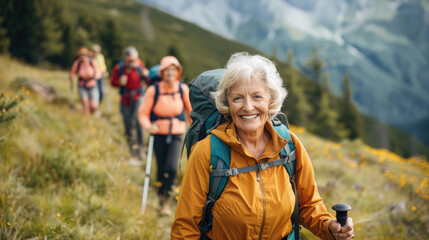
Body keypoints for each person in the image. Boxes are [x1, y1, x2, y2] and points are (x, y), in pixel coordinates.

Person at [171, 53, 354, 239]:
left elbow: (308, 205)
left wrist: (329, 226)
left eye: (257, 96)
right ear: (227, 104)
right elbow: (185, 226)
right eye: (238, 98)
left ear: (270, 100)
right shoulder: (207, 152)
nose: (248, 107)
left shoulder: (290, 145)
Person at [138, 56, 192, 216]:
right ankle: (161, 197)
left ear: (178, 72)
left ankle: (166, 199)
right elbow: (142, 113)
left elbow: (190, 112)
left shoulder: (182, 89)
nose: (170, 73)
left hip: (176, 133)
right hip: (157, 133)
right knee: (161, 169)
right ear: (162, 72)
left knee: (172, 168)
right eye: (167, 70)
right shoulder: (153, 90)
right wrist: (148, 126)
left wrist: (194, 128)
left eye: (173, 70)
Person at [111, 46, 149, 165]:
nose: (131, 63)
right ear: (125, 59)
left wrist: (146, 74)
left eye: (133, 60)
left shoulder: (140, 67)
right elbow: (113, 82)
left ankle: (142, 148)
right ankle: (133, 149)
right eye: (129, 60)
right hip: (125, 98)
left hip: (138, 96)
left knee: (138, 122)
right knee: (128, 124)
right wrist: (119, 82)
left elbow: (148, 82)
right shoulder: (119, 68)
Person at [69, 46, 101, 117]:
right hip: (82, 85)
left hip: (92, 84)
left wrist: (96, 76)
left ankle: (92, 113)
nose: (82, 57)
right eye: (81, 55)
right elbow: (73, 72)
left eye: (84, 55)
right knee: (85, 103)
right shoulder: (77, 63)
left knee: (94, 105)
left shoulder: (92, 62)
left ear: (87, 55)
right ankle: (87, 120)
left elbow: (98, 72)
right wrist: (72, 76)